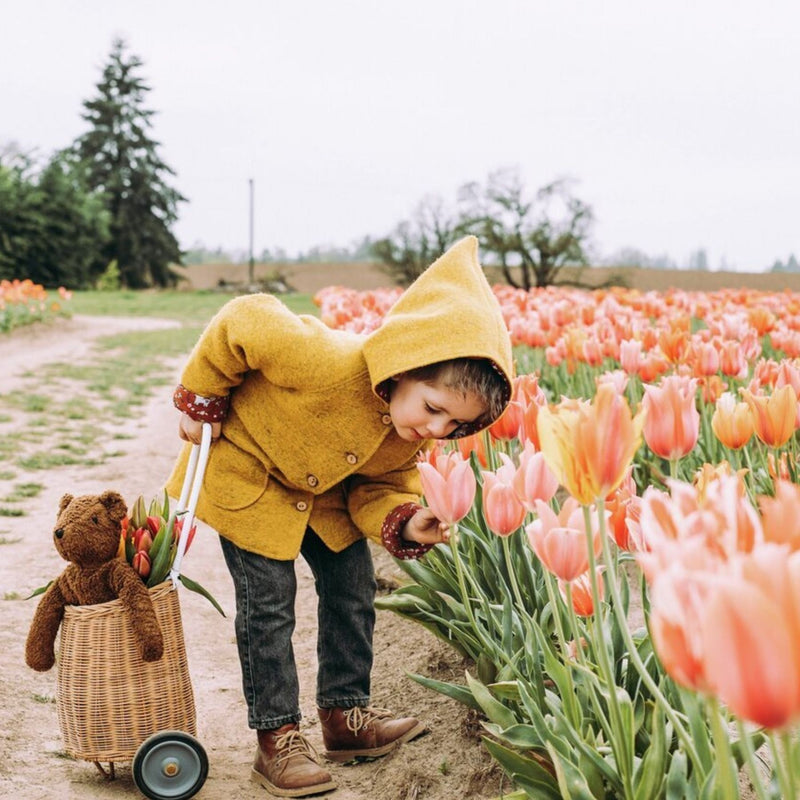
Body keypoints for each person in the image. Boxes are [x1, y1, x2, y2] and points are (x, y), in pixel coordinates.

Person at [166, 235, 513, 797]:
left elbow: (377, 487)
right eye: (433, 408)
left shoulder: (407, 437)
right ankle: (276, 737)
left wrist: (405, 520)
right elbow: (245, 316)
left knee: (353, 588)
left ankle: (345, 719)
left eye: (455, 426)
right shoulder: (323, 360)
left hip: (324, 498)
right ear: (404, 365)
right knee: (269, 604)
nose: (437, 430)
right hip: (252, 476)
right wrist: (200, 398)